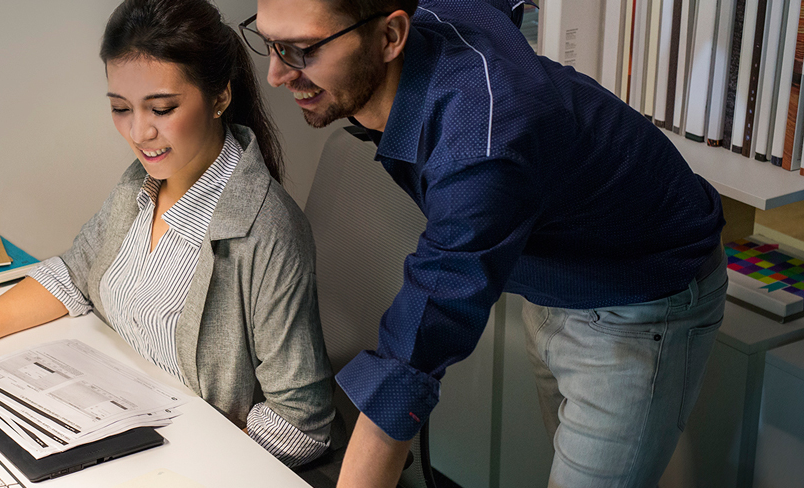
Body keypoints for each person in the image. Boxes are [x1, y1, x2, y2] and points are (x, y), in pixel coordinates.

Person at [244, 0, 727, 485]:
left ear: (391, 37)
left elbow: (412, 356)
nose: (275, 75)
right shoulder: (434, 15)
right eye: (269, 43)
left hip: (640, 296)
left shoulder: (481, 148)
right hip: (555, 269)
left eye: (301, 51)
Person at [0, 0, 335, 468]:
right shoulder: (141, 184)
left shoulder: (267, 231)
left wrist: (185, 462)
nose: (140, 132)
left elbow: (301, 426)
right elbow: (73, 274)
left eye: (163, 108)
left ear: (220, 97)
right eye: (120, 109)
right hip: (108, 422)